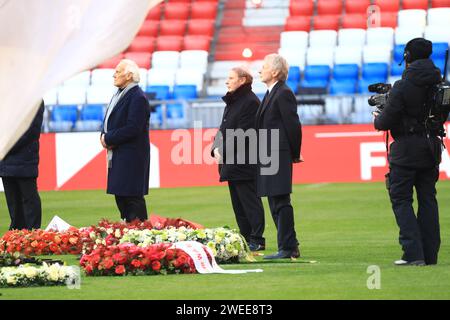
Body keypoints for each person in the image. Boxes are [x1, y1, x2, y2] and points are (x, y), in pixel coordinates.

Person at [373, 38, 444, 266]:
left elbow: (384, 122)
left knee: (401, 199)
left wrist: (378, 117)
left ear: (408, 56)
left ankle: (413, 254)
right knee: (428, 200)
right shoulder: (439, 82)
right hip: (431, 148)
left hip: (406, 150)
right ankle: (430, 255)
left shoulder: (403, 85)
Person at [212, 66, 266, 251]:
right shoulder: (234, 101)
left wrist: (222, 151)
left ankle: (257, 239)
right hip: (232, 162)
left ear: (242, 80)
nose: (227, 81)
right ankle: (246, 238)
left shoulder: (249, 102)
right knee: (239, 205)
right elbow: (223, 129)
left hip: (245, 162)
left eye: (231, 77)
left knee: (250, 202)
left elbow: (242, 134)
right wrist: (215, 149)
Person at [256, 53, 302, 259]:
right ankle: (289, 244)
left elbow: (293, 125)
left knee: (280, 200)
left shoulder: (283, 93)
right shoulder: (270, 93)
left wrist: (294, 153)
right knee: (275, 200)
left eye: (264, 66)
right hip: (270, 153)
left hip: (278, 152)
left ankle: (288, 247)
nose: (260, 70)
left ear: (275, 72)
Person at [101, 59, 150, 222]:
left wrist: (108, 138)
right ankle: (130, 230)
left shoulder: (137, 97)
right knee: (121, 196)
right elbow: (111, 120)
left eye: (118, 72)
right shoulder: (120, 95)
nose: (114, 75)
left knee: (132, 198)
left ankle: (141, 234)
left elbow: (133, 128)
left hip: (131, 157)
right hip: (119, 154)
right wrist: (104, 135)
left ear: (129, 75)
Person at [0, 100, 45, 230]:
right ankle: (16, 235)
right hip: (7, 160)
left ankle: (33, 235)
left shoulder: (35, 100)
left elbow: (31, 131)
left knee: (29, 198)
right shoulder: (10, 97)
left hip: (24, 157)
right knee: (13, 201)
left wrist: (6, 146)